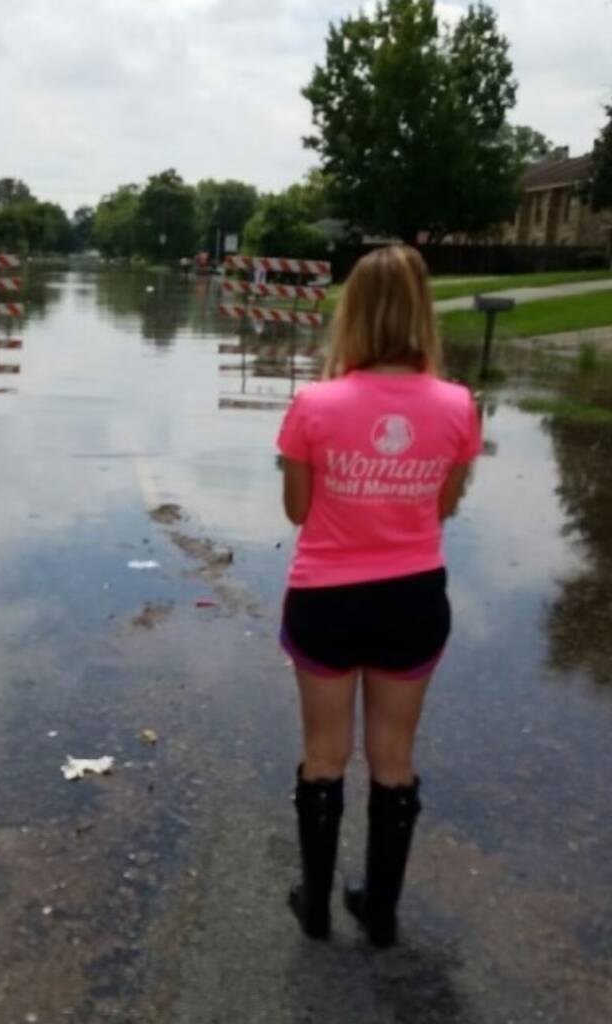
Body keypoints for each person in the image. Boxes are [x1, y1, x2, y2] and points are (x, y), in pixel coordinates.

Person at [276, 245, 482, 948]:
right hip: (411, 599)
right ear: (424, 311)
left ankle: (316, 907)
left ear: (352, 314)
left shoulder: (313, 404)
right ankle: (382, 912)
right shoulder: (459, 407)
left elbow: (298, 511)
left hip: (326, 600)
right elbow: (442, 507)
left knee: (324, 752)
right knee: (393, 756)